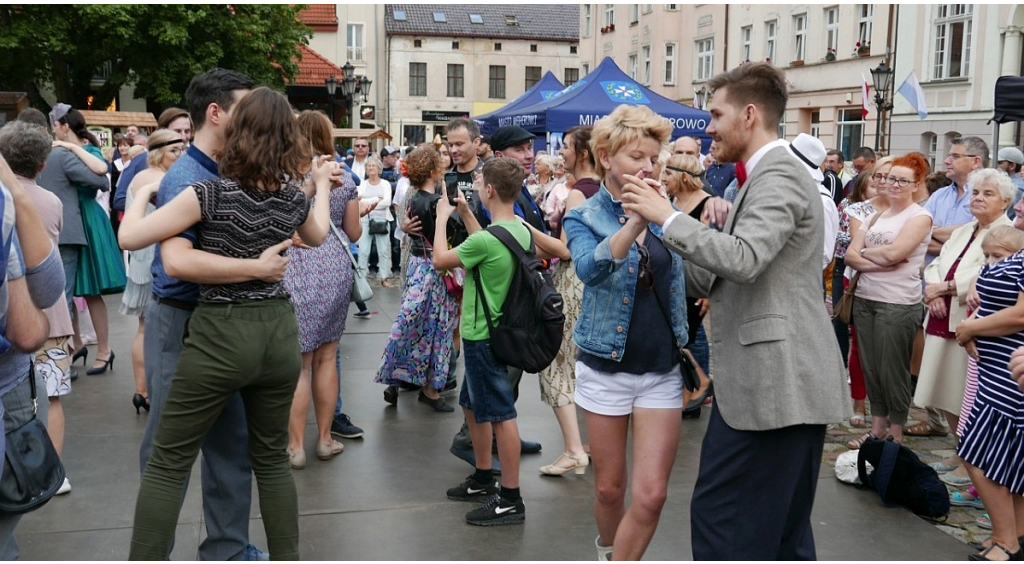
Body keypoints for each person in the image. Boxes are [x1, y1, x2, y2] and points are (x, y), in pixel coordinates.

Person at [619, 62, 849, 560]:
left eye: (715, 114)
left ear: (749, 114)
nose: (707, 126)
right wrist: (661, 230)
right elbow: (716, 278)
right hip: (764, 384)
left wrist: (671, 218)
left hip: (777, 383)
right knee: (776, 530)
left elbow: (744, 260)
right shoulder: (760, 178)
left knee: (729, 521)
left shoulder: (781, 173)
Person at [120, 86, 337, 560]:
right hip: (279, 332)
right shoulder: (289, 201)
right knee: (272, 464)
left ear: (237, 132)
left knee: (168, 462)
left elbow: (131, 237)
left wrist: (141, 195)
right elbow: (318, 235)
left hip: (221, 333)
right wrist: (319, 188)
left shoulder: (208, 193)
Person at [122, 68, 277, 561]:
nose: (253, 119)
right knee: (169, 450)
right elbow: (177, 261)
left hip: (218, 326)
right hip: (181, 323)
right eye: (244, 108)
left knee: (230, 446)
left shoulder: (222, 172)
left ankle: (228, 550)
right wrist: (256, 267)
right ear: (216, 113)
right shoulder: (188, 177)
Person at [562, 104, 688, 560]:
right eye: (637, 157)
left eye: (654, 158)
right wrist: (637, 218)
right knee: (610, 490)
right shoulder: (585, 214)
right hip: (606, 367)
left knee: (652, 494)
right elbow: (588, 270)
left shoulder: (667, 210)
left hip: (661, 368)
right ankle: (609, 551)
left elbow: (690, 276)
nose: (648, 167)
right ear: (606, 157)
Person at [436, 157, 544, 526]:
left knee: (500, 416)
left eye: (480, 182)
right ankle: (484, 476)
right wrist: (466, 212)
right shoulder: (519, 231)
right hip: (501, 333)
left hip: (482, 336)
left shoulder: (482, 241)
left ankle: (510, 497)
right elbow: (489, 237)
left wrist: (440, 218)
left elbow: (439, 259)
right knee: (471, 404)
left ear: (490, 190)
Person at [915, 168, 1015, 471]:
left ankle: (973, 461)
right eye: (975, 192)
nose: (978, 198)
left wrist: (947, 288)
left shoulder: (1007, 233)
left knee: (965, 392)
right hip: (939, 314)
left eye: (988, 193)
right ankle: (961, 452)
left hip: (972, 321)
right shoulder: (963, 229)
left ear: (1006, 201)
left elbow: (987, 272)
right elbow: (937, 263)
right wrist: (933, 291)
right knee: (942, 388)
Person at [0, 121, 75, 496]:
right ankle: (51, 472)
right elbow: (47, 275)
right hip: (46, 315)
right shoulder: (47, 201)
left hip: (16, 320)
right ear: (42, 165)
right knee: (52, 394)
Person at [284, 110, 363, 468]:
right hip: (332, 262)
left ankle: (295, 446)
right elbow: (353, 232)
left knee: (299, 364)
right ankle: (326, 440)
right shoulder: (342, 176)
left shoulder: (285, 175)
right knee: (327, 357)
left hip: (296, 265)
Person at [844, 154, 934, 447]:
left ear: (916, 184)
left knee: (892, 370)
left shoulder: (919, 216)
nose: (892, 184)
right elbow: (849, 255)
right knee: (871, 367)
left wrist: (867, 255)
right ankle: (877, 428)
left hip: (897, 302)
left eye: (901, 180)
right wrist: (877, 259)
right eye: (888, 178)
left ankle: (895, 433)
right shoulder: (875, 216)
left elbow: (897, 254)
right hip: (866, 298)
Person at [953, 211, 1024, 560]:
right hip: (996, 367)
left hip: (1011, 370)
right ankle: (1014, 538)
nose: (1020, 206)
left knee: (976, 451)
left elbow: (1020, 315)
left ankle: (1006, 541)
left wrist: (971, 329)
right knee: (1008, 455)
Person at [376, 145, 463, 412]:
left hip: (417, 266)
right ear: (435, 170)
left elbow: (409, 230)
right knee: (439, 329)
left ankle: (397, 376)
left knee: (410, 324)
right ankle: (432, 388)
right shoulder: (438, 203)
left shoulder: (414, 200)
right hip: (437, 270)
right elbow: (456, 234)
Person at [535, 125, 599, 477]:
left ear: (583, 153)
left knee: (556, 364)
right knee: (582, 365)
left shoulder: (578, 194)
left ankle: (574, 449)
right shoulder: (604, 189)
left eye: (566, 148)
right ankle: (587, 444)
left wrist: (522, 228)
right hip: (593, 282)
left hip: (573, 283)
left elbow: (566, 248)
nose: (561, 154)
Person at [46, 105, 125, 376]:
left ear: (64, 126)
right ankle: (77, 344)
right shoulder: (56, 151)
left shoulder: (85, 149)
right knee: (70, 291)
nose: (52, 130)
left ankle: (104, 350)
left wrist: (71, 148)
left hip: (88, 219)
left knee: (90, 292)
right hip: (72, 220)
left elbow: (102, 171)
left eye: (55, 125)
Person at [119, 129, 185, 414]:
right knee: (158, 332)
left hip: (139, 260)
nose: (180, 156)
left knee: (143, 329)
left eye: (182, 150)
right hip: (154, 260)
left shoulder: (137, 177)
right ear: (159, 153)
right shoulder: (162, 180)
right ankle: (156, 392)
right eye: (175, 151)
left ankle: (141, 390)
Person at [357, 156, 394, 287]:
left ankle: (384, 278)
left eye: (373, 166)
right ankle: (361, 278)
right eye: (369, 166)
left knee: (383, 251)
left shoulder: (385, 184)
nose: (371, 168)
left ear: (379, 168)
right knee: (363, 251)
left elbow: (387, 202)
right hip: (365, 220)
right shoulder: (362, 184)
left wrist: (368, 200)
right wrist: (377, 199)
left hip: (382, 220)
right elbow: (359, 202)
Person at [997, 147, 1024, 219]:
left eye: (1000, 163)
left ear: (1012, 166)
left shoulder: (1016, 188)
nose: (997, 166)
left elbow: (1015, 217)